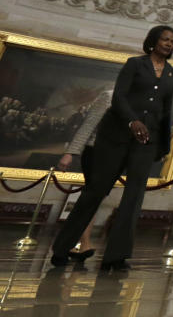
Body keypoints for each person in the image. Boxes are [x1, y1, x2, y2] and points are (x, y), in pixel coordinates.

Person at [50, 26, 173, 271]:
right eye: (165, 39)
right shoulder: (134, 64)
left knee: (134, 197)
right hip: (115, 137)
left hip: (145, 143)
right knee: (94, 192)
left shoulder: (172, 75)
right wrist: (132, 120)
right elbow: (119, 97)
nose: (169, 44)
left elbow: (165, 112)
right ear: (153, 41)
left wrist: (163, 146)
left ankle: (116, 256)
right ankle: (61, 248)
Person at [55, 88, 113, 261]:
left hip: (114, 155)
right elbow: (89, 125)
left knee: (96, 197)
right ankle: (80, 242)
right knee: (92, 196)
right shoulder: (109, 95)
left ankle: (80, 243)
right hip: (94, 150)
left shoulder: (139, 100)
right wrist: (70, 153)